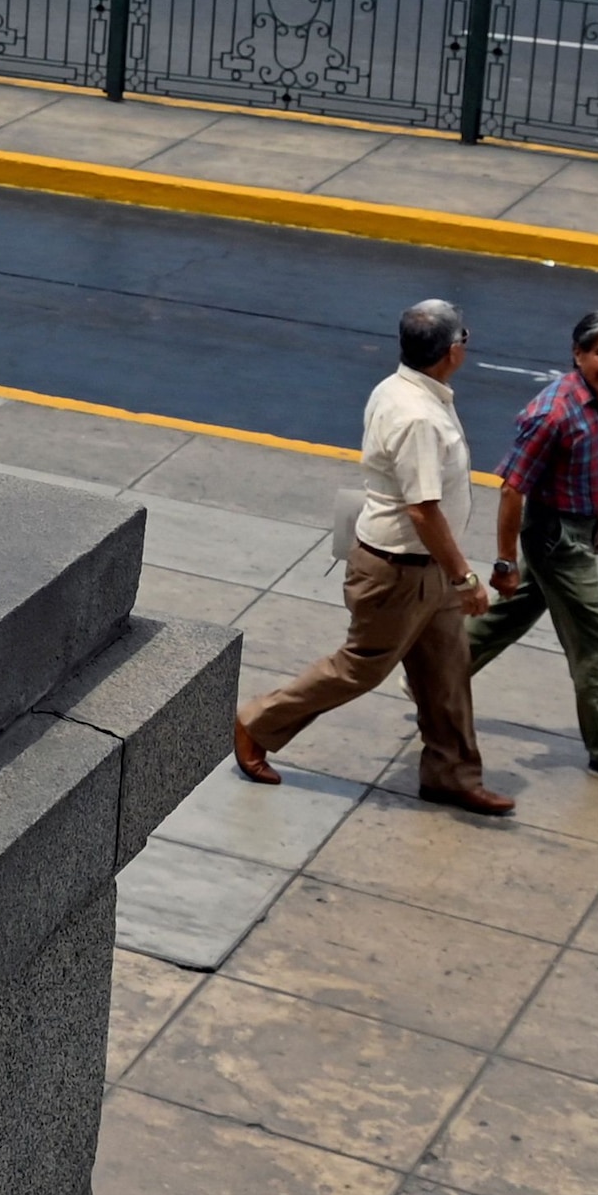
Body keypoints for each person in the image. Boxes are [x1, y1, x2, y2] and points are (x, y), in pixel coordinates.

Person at [235, 297, 514, 813]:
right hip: (399, 573)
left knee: (447, 671)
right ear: (454, 351)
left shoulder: (402, 388)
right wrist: (464, 578)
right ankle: (258, 722)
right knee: (361, 667)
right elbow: (423, 510)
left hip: (425, 566)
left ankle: (452, 775)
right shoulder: (419, 417)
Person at [469, 309, 598, 796]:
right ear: (578, 354)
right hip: (556, 538)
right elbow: (512, 489)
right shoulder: (554, 413)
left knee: (513, 613)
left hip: (579, 526)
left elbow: (593, 471)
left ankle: (438, 669)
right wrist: (504, 561)